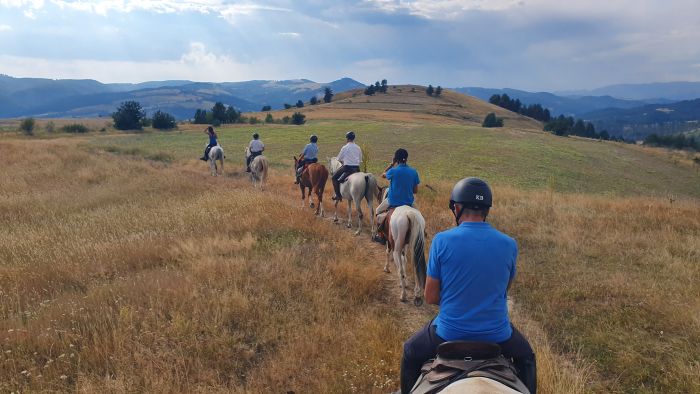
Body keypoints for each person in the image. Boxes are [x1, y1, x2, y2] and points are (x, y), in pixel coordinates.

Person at [399, 177, 536, 394]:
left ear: (457, 208)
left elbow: (431, 297)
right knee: (526, 356)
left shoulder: (442, 241)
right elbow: (503, 290)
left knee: (410, 351)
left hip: (448, 331)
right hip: (498, 333)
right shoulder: (509, 244)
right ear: (486, 209)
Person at [372, 148, 420, 245]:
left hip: (393, 201)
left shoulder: (393, 171)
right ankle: (422, 232)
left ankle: (380, 235)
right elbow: (415, 191)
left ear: (396, 159)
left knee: (377, 211)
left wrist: (391, 164)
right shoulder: (414, 172)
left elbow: (382, 175)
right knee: (419, 217)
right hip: (409, 202)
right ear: (406, 158)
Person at [331, 131, 362, 201]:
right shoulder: (358, 147)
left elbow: (338, 159)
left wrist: (344, 161)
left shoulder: (345, 147)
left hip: (347, 168)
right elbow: (360, 160)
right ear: (354, 138)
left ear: (347, 138)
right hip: (357, 169)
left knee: (333, 178)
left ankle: (338, 196)